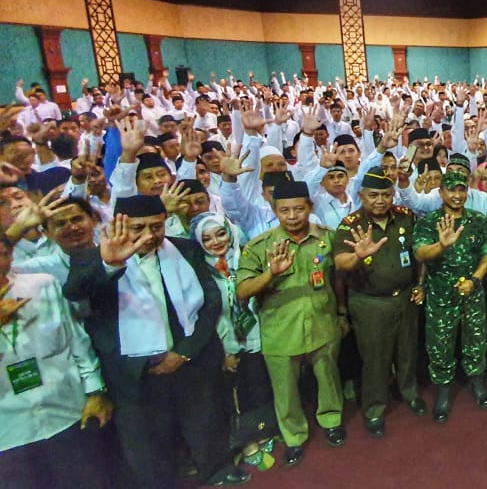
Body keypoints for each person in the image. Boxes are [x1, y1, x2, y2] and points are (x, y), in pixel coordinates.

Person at [64, 195, 247, 487]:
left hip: (189, 359)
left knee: (205, 419)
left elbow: (211, 302)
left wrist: (184, 352)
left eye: (156, 226)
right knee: (149, 441)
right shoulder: (92, 258)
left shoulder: (185, 249)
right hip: (135, 372)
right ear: (119, 225)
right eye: (138, 228)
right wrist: (110, 264)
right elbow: (75, 291)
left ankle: (216, 469)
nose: (149, 235)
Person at [235, 181, 346, 467]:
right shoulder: (260, 246)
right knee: (285, 391)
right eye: (285, 210)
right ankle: (294, 437)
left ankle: (331, 420)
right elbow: (242, 291)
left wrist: (342, 313)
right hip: (280, 330)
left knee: (329, 379)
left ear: (310, 207)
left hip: (322, 323)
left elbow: (338, 278)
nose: (293, 216)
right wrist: (270, 274)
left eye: (299, 209)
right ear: (275, 211)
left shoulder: (327, 238)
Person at [0, 237, 115, 489]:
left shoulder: (42, 286)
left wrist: (95, 392)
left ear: (10, 254)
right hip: (9, 431)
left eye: (1, 254)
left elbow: (76, 341)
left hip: (66, 412)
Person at [332, 168, 426, 438]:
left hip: (405, 297)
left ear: (393, 194)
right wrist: (358, 257)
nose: (380, 201)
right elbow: (340, 263)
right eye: (373, 195)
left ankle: (409, 392)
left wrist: (420, 284)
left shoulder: (405, 217)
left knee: (407, 351)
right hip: (369, 303)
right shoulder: (351, 224)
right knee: (375, 359)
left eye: (386, 194)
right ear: (362, 195)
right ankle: (374, 408)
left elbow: (419, 254)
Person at [192, 213, 275, 469]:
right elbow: (207, 314)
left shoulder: (246, 258)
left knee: (259, 385)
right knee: (235, 394)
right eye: (207, 239)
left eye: (220, 234)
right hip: (225, 341)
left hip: (256, 333)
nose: (216, 242)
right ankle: (246, 441)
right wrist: (224, 352)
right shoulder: (199, 271)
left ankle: (262, 429)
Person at [413, 170, 487, 423]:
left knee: (476, 340)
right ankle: (443, 390)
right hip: (441, 296)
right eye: (451, 190)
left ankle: (477, 381)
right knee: (440, 345)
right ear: (441, 192)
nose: (457, 195)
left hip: (472, 294)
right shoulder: (430, 222)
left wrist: (475, 280)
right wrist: (442, 245)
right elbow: (420, 254)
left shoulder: (478, 220)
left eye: (461, 190)